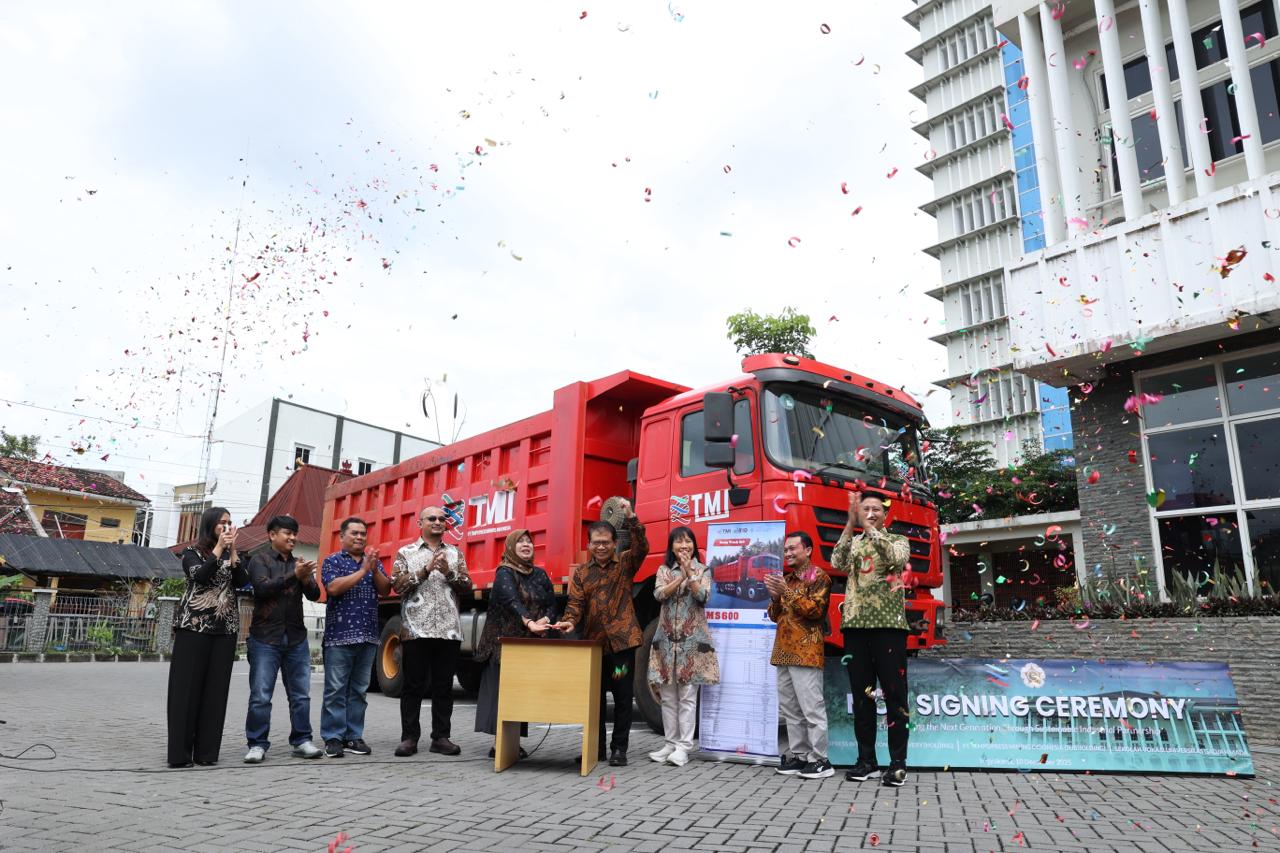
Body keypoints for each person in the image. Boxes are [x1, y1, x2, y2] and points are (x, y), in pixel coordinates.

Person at [552, 500, 649, 767]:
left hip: (622, 647)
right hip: (595, 648)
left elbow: (643, 546)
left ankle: (619, 750)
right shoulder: (582, 573)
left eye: (606, 541)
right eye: (596, 542)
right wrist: (569, 621)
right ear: (589, 544)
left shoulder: (626, 563)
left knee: (621, 697)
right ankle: (596, 750)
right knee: (594, 700)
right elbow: (575, 604)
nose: (602, 546)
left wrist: (631, 517)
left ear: (614, 542)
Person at [833, 490, 913, 787]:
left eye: (875, 509)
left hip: (889, 629)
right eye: (864, 508)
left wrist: (868, 528)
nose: (870, 513)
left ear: (884, 513)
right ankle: (866, 760)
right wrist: (848, 524)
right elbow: (837, 561)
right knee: (863, 699)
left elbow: (894, 559)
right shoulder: (855, 542)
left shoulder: (897, 540)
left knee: (895, 698)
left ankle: (898, 764)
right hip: (855, 628)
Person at [166, 506, 248, 767]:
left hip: (224, 631)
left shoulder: (230, 554)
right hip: (193, 629)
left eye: (230, 522)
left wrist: (233, 551)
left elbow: (242, 581)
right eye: (222, 523)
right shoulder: (192, 553)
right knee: (186, 691)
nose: (227, 527)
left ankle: (206, 754)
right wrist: (218, 551)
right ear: (210, 525)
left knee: (215, 693)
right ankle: (179, 755)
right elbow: (199, 576)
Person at [391, 505, 472, 757]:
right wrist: (425, 570)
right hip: (416, 630)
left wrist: (449, 574)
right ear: (420, 523)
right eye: (432, 518)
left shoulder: (455, 554)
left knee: (443, 687)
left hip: (448, 631)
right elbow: (398, 587)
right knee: (413, 686)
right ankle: (409, 738)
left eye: (442, 519)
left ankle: (441, 737)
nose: (438, 522)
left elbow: (467, 587)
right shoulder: (406, 553)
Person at [244, 514, 323, 763]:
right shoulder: (259, 560)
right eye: (287, 533)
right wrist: (293, 576)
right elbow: (262, 589)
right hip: (265, 638)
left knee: (301, 695)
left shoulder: (298, 563)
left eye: (294, 533)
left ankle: (302, 741)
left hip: (296, 638)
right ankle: (257, 744)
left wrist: (306, 577)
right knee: (261, 695)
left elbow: (314, 594)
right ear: (272, 535)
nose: (292, 538)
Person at [473, 528, 558, 757]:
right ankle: (498, 743)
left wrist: (546, 619)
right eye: (520, 542)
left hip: (528, 643)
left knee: (520, 692)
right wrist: (530, 622)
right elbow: (512, 601)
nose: (526, 545)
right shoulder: (505, 572)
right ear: (511, 547)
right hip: (503, 643)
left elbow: (552, 602)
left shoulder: (539, 574)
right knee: (502, 692)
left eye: (529, 542)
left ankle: (513, 741)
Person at [319, 516, 391, 758]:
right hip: (339, 638)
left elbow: (385, 589)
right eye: (354, 533)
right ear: (342, 537)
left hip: (368, 637)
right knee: (335, 690)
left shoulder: (373, 562)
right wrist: (362, 571)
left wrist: (373, 568)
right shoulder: (332, 561)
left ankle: (353, 736)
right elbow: (333, 588)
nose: (360, 537)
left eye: (363, 533)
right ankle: (333, 738)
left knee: (359, 691)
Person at [646, 525, 718, 768]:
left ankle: (684, 747)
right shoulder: (664, 570)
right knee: (667, 695)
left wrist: (691, 574)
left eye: (688, 541)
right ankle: (670, 743)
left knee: (687, 695)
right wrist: (680, 577)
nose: (684, 546)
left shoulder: (703, 569)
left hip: (692, 642)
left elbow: (703, 597)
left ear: (694, 545)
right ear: (672, 547)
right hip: (666, 641)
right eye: (679, 542)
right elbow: (659, 595)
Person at [764, 530, 833, 780]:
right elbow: (775, 616)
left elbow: (815, 611)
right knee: (791, 710)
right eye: (785, 550)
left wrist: (786, 592)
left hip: (807, 653)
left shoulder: (820, 577)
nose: (788, 553)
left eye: (793, 548)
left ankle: (821, 760)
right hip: (783, 652)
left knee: (811, 709)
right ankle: (800, 756)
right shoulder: (787, 580)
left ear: (808, 550)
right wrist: (775, 597)